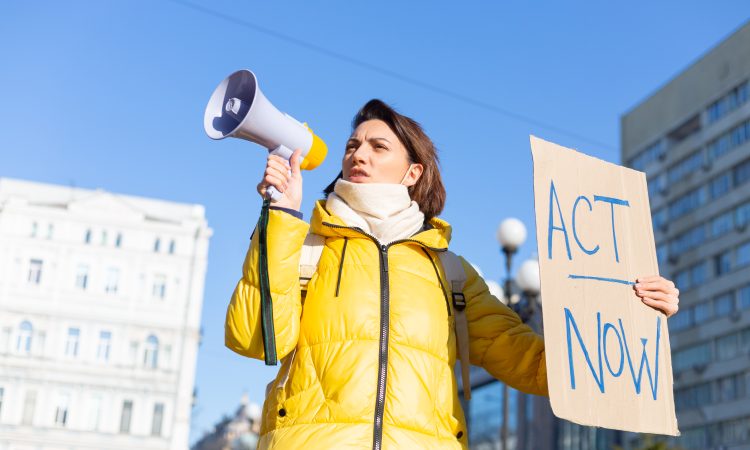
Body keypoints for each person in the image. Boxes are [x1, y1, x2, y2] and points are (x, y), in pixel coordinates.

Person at [224, 99, 680, 450]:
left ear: (412, 172)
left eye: (378, 145)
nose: (358, 152)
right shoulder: (305, 244)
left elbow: (537, 367)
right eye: (352, 144)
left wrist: (633, 313)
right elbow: (255, 339)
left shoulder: (451, 273)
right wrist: (280, 214)